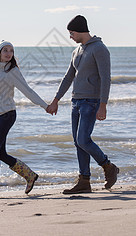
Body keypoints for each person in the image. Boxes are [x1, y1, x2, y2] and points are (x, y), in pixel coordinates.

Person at [46, 15, 119, 194]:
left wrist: (103, 104)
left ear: (79, 31)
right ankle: (84, 181)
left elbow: (105, 78)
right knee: (78, 143)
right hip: (76, 101)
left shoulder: (99, 49)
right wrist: (56, 100)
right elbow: (68, 77)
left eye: (71, 33)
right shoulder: (77, 51)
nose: (70, 36)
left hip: (91, 102)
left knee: (83, 140)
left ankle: (108, 166)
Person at [0, 40, 49, 200]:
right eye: (5, 50)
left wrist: (45, 106)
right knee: (0, 153)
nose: (9, 53)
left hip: (8, 114)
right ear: (0, 53)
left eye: (11, 51)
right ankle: (29, 175)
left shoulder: (13, 71)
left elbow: (28, 91)